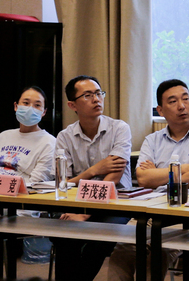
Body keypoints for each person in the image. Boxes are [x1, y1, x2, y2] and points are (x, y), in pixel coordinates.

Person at [108, 79, 189, 280]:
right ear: (160, 110)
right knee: (121, 253)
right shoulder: (152, 140)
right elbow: (143, 178)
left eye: (185, 98)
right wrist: (186, 168)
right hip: (151, 209)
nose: (182, 106)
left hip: (188, 213)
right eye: (173, 101)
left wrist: (158, 175)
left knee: (156, 256)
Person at [52, 75, 132, 281]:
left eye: (98, 93)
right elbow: (63, 183)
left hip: (116, 203)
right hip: (76, 201)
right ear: (72, 105)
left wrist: (85, 212)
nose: (97, 99)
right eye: (88, 95)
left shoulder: (119, 129)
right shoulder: (64, 137)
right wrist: (94, 170)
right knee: (63, 236)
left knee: (100, 237)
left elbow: (113, 177)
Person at [0, 86, 56, 184]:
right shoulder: (2, 136)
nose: (30, 108)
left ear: (44, 112)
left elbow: (36, 183)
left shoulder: (49, 143)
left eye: (37, 105)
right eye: (26, 103)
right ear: (16, 106)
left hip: (22, 192)